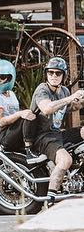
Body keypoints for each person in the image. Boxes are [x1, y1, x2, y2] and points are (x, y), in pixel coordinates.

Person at [29, 56, 84, 196]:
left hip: (57, 133)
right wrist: (70, 98)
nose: (53, 76)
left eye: (58, 73)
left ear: (63, 75)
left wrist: (80, 100)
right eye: (50, 72)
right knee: (65, 160)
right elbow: (47, 108)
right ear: (46, 74)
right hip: (42, 136)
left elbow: (72, 107)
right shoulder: (42, 89)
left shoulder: (64, 91)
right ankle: (51, 198)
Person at [0, 59, 35, 153]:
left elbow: (15, 114)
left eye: (2, 77)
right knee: (27, 117)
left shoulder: (11, 94)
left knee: (34, 114)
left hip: (12, 130)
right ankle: (29, 150)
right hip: (4, 133)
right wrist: (20, 113)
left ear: (10, 77)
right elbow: (2, 121)